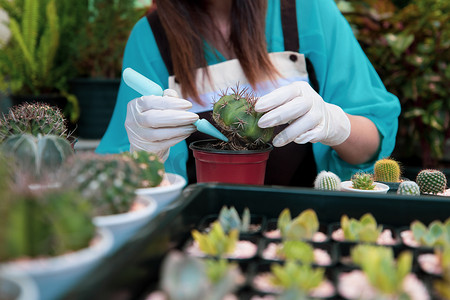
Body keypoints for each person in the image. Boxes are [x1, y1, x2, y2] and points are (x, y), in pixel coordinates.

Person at [96, 0, 401, 187]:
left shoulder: (308, 8)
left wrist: (336, 125)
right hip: (203, 234)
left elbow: (373, 141)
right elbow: (123, 180)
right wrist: (143, 153)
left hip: (309, 225)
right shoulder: (150, 38)